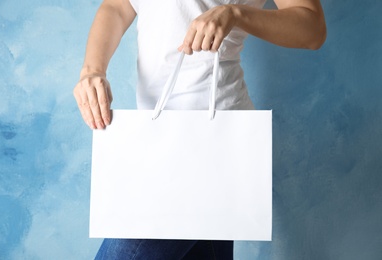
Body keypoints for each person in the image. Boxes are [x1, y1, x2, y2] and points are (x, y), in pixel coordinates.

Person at [73, 0, 326, 259]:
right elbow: (117, 6)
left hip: (213, 146)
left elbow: (312, 27)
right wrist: (92, 70)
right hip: (157, 142)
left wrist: (236, 14)